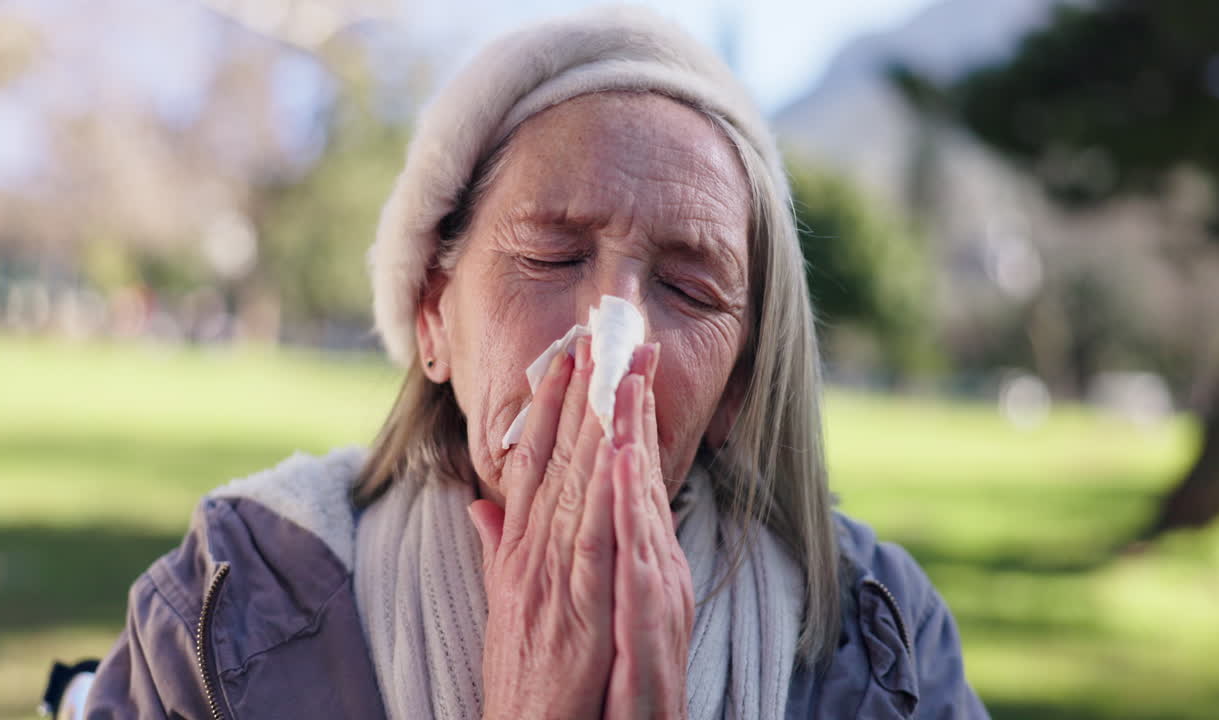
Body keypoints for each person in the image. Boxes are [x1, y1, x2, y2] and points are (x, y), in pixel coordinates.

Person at [70, 6, 989, 719]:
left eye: (692, 291)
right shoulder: (232, 605)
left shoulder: (881, 641)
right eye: (551, 256)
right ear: (434, 315)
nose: (608, 342)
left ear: (735, 388)